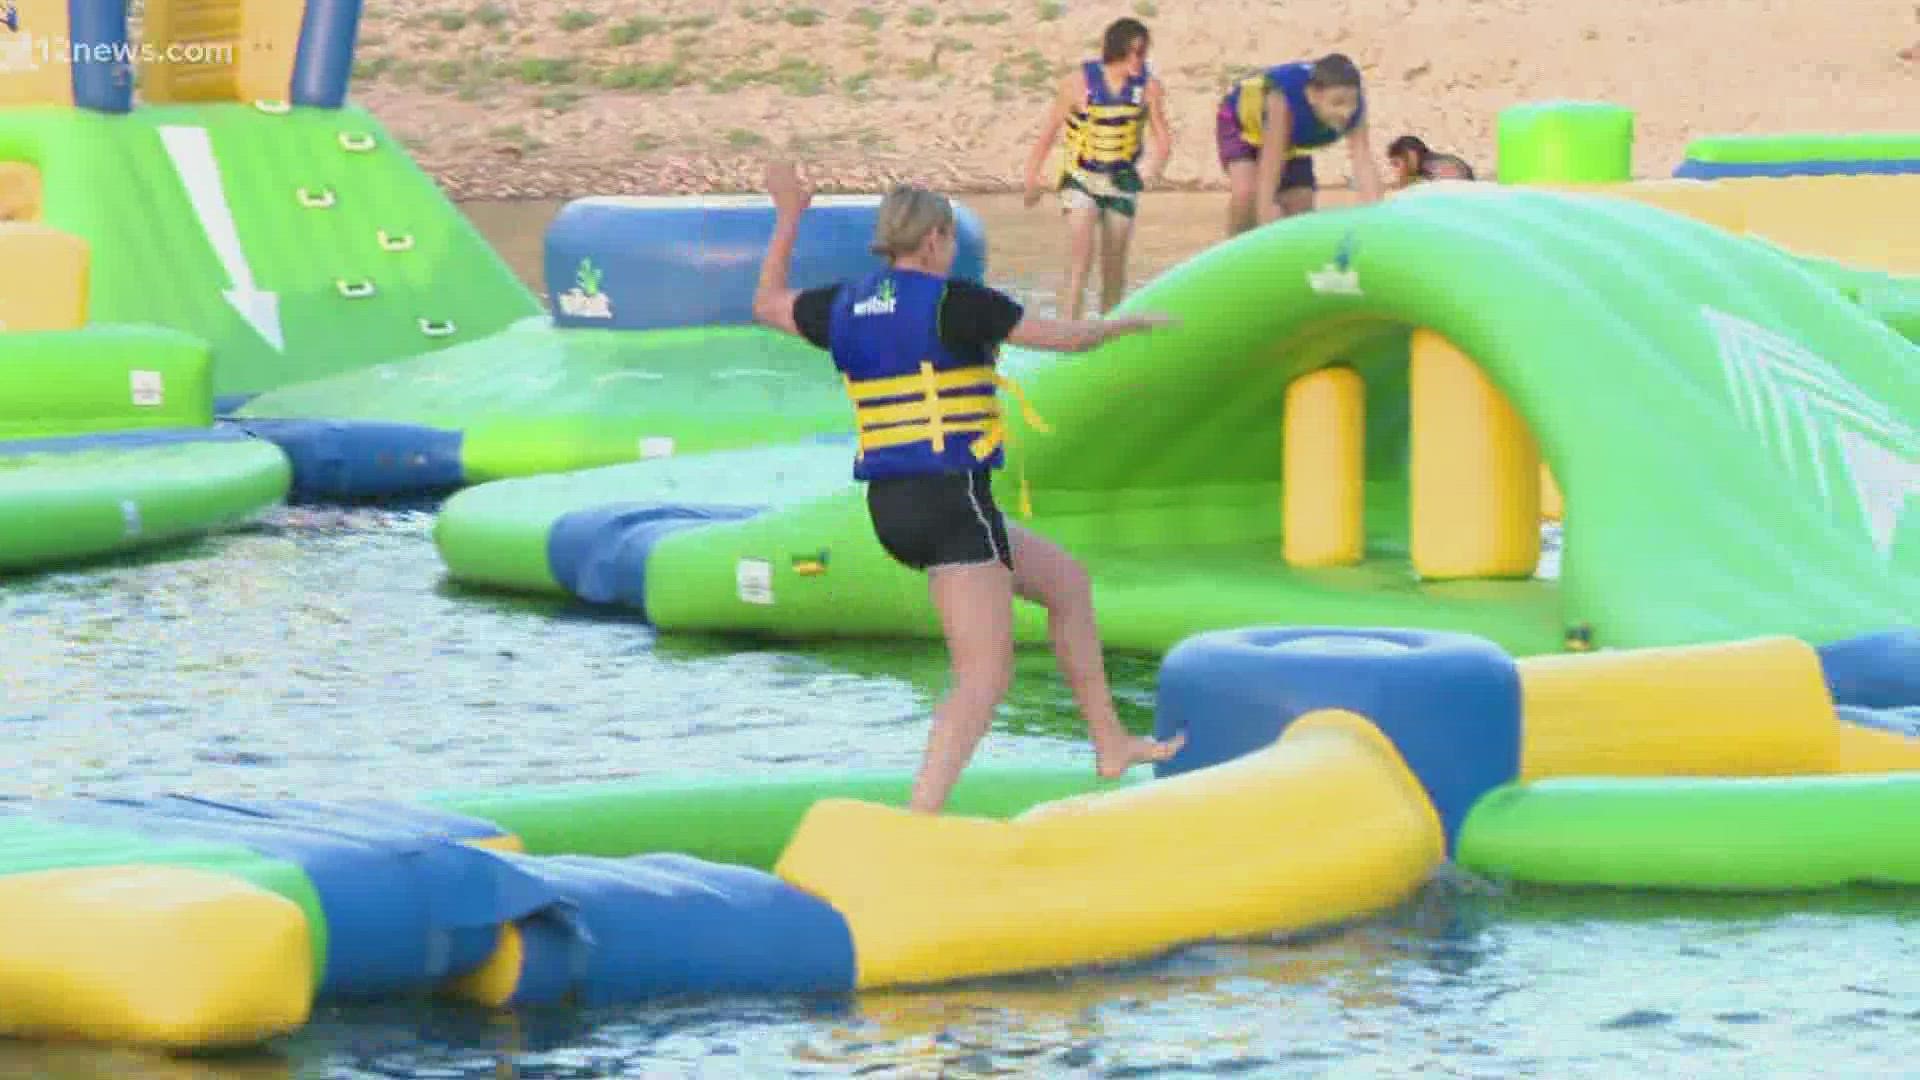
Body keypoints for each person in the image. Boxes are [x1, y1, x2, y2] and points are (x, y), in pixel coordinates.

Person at [752, 160, 1186, 814]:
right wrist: (1126, 325)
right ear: (933, 240)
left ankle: (1110, 742)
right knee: (985, 677)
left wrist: (788, 216)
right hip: (950, 502)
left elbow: (765, 304)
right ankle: (919, 818)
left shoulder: (844, 304)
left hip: (892, 507)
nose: (952, 252)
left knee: (1066, 583)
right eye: (950, 240)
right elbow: (1066, 339)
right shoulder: (958, 303)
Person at [1020, 17, 1173, 320]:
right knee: (1081, 258)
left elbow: (1163, 138)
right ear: (1117, 51)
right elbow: (1048, 134)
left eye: (1143, 53)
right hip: (1081, 179)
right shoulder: (1077, 84)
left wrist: (1151, 170)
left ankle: (1108, 340)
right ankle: (1067, 334)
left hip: (1121, 181)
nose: (1140, 61)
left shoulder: (1149, 88)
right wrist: (1031, 180)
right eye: (1135, 53)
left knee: (1114, 268)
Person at [1216, 53, 1385, 235]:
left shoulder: (1355, 110)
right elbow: (1271, 163)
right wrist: (1264, 216)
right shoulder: (1283, 99)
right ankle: (1236, 249)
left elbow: (1363, 160)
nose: (1346, 112)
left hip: (1292, 140)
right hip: (1241, 125)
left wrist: (1378, 218)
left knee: (1301, 207)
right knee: (1247, 195)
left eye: (1351, 103)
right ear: (1312, 95)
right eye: (1337, 103)